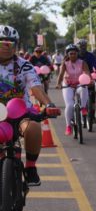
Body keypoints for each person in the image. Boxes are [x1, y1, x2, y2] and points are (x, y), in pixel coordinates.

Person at [0, 25, 59, 186]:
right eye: (1, 43)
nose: (6, 48)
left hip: (19, 113)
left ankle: (31, 167)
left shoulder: (24, 65)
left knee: (33, 127)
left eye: (10, 44)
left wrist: (49, 104)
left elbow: (36, 88)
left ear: (16, 46)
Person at [56, 44, 91, 136]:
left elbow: (87, 72)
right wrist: (58, 84)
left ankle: (83, 107)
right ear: (67, 54)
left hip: (79, 84)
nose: (73, 55)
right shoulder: (65, 64)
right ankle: (68, 126)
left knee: (84, 88)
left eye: (74, 53)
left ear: (77, 53)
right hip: (68, 85)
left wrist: (89, 80)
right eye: (71, 53)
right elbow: (60, 75)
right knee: (70, 105)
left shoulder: (82, 62)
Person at [76, 40, 96, 124]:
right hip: (77, 77)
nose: (83, 48)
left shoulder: (90, 55)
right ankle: (76, 111)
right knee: (75, 94)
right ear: (79, 47)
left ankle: (93, 115)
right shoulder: (75, 55)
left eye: (84, 46)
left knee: (92, 97)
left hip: (89, 77)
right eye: (81, 46)